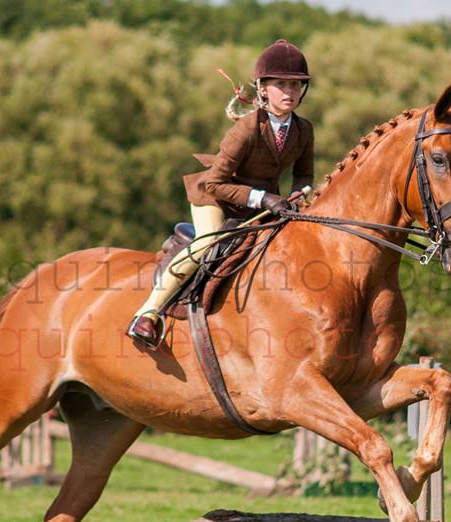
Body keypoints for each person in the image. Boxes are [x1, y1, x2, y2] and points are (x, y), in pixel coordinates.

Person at [127, 39, 314, 349]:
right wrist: (264, 199)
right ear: (263, 89)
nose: (289, 92)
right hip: (216, 197)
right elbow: (216, 182)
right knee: (207, 243)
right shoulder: (247, 128)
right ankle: (148, 313)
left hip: (263, 204)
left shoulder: (304, 130)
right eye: (281, 84)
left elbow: (304, 173)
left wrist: (298, 195)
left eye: (295, 85)